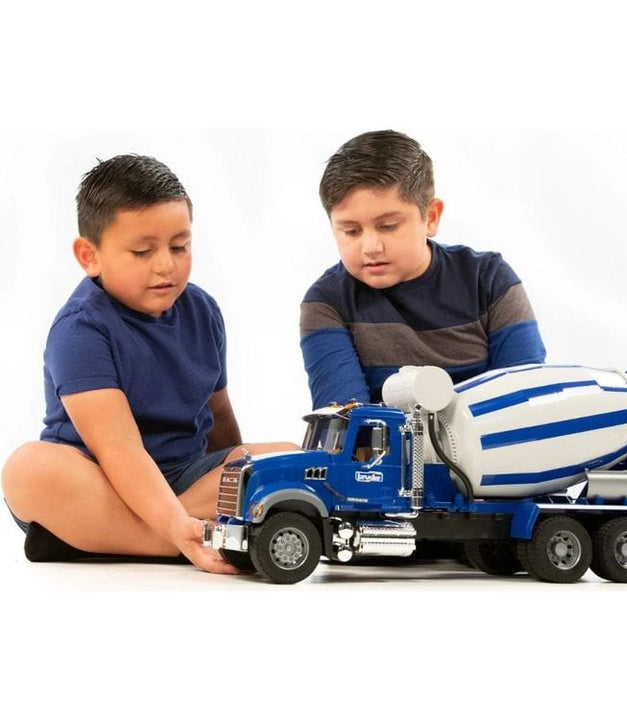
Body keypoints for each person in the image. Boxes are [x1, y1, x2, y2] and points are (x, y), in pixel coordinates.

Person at [1, 154, 296, 574]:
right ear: (89, 256)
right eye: (142, 251)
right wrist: (174, 523)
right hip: (99, 480)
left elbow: (218, 412)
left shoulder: (203, 310)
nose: (166, 265)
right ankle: (173, 539)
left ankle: (110, 539)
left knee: (287, 459)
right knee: (28, 468)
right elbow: (117, 448)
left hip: (185, 477)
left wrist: (240, 469)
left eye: (179, 247)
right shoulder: (80, 329)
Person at [300, 130, 547, 410]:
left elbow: (524, 401)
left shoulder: (489, 280)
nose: (371, 247)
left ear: (430, 217)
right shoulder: (327, 302)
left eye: (388, 226)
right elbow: (346, 421)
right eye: (351, 231)